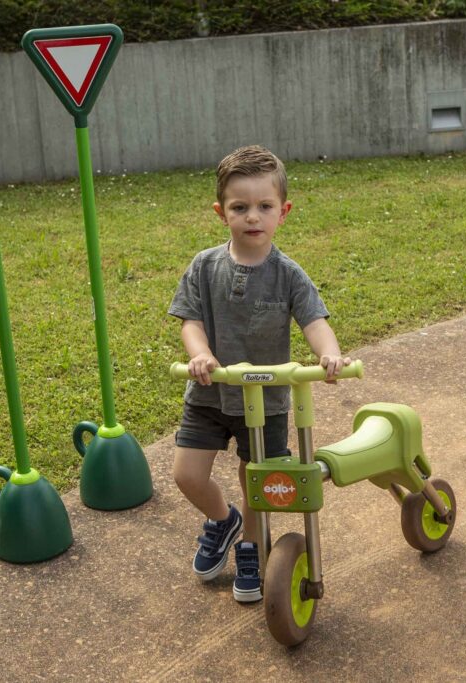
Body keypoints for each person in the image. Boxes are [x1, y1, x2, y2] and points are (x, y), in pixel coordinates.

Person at [168, 145, 351, 603]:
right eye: (240, 207)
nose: (253, 216)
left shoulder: (288, 275)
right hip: (210, 394)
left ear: (283, 212)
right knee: (187, 475)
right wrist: (201, 354)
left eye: (264, 206)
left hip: (265, 401)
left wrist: (330, 355)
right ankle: (221, 520)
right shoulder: (204, 266)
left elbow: (314, 322)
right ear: (221, 212)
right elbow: (190, 320)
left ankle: (252, 545)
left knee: (257, 482)